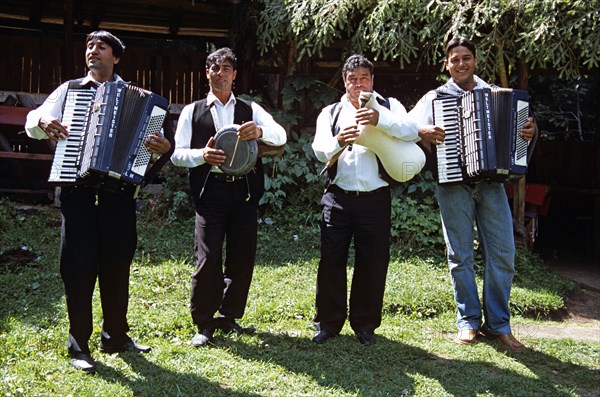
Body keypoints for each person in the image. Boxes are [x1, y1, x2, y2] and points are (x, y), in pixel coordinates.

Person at [25, 30, 173, 373]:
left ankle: (116, 337)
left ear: (116, 57)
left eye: (102, 47)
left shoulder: (142, 100)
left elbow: (154, 147)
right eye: (90, 46)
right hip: (77, 195)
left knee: (117, 266)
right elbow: (35, 121)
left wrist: (163, 149)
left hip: (117, 197)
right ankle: (79, 345)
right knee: (77, 269)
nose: (93, 51)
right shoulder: (69, 91)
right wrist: (44, 120)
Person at [409, 37, 537, 352]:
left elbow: (523, 133)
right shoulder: (434, 98)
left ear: (475, 61)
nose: (461, 64)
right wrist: (422, 131)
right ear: (446, 64)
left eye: (467, 58)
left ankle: (498, 326)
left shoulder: (496, 94)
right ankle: (468, 322)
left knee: (503, 253)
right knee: (459, 255)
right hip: (452, 182)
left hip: (492, 183)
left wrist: (529, 131)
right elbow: (404, 128)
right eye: (455, 59)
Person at [171, 47, 286, 347]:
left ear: (234, 75)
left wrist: (260, 131)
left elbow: (281, 136)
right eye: (214, 67)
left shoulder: (251, 110)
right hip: (211, 192)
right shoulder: (192, 111)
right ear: (206, 73)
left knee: (242, 254)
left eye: (225, 68)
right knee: (207, 257)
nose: (219, 72)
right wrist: (202, 155)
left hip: (245, 190)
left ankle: (230, 315)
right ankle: (204, 323)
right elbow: (177, 154)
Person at [311, 54, 420, 346]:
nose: (358, 84)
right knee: (331, 261)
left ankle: (365, 324)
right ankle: (328, 324)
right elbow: (319, 149)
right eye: (352, 79)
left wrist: (379, 119)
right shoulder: (330, 112)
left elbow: (411, 132)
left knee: (372, 262)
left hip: (375, 198)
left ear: (372, 80)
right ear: (344, 82)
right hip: (338, 198)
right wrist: (338, 140)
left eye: (363, 78)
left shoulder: (389, 105)